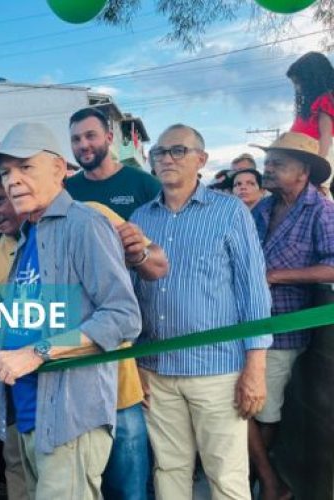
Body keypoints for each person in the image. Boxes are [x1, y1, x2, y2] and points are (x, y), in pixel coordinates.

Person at [0, 122, 142, 500]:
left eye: (26, 167)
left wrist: (36, 353)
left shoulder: (85, 224)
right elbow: (2, 329)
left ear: (59, 169)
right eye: (6, 172)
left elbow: (123, 317)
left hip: (70, 417)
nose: (13, 181)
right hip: (26, 413)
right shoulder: (26, 239)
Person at [132, 124, 272, 499]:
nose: (166, 159)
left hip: (217, 371)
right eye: (159, 152)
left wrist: (255, 368)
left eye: (178, 150)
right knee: (169, 471)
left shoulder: (229, 213)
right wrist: (133, 362)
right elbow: (129, 295)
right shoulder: (139, 219)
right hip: (156, 371)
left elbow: (253, 290)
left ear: (201, 160)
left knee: (225, 475)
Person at [65, 107, 169, 500]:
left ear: (110, 137)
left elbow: (159, 256)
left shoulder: (142, 184)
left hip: (142, 320)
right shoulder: (70, 192)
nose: (83, 145)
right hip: (91, 325)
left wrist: (136, 255)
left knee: (138, 434)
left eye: (90, 136)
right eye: (76, 139)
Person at [248, 132, 334, 500]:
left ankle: (266, 480)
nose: (268, 169)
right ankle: (264, 478)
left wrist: (275, 276)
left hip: (285, 330)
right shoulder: (262, 208)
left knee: (258, 411)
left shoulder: (321, 209)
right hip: (249, 324)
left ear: (303, 172)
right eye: (267, 162)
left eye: (277, 164)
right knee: (244, 406)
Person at [287, 52, 334, 196]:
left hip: (317, 155)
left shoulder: (325, 101)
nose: (298, 88)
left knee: (316, 196)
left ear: (311, 80)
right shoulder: (310, 106)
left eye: (299, 82)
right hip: (304, 157)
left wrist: (319, 169)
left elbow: (326, 136)